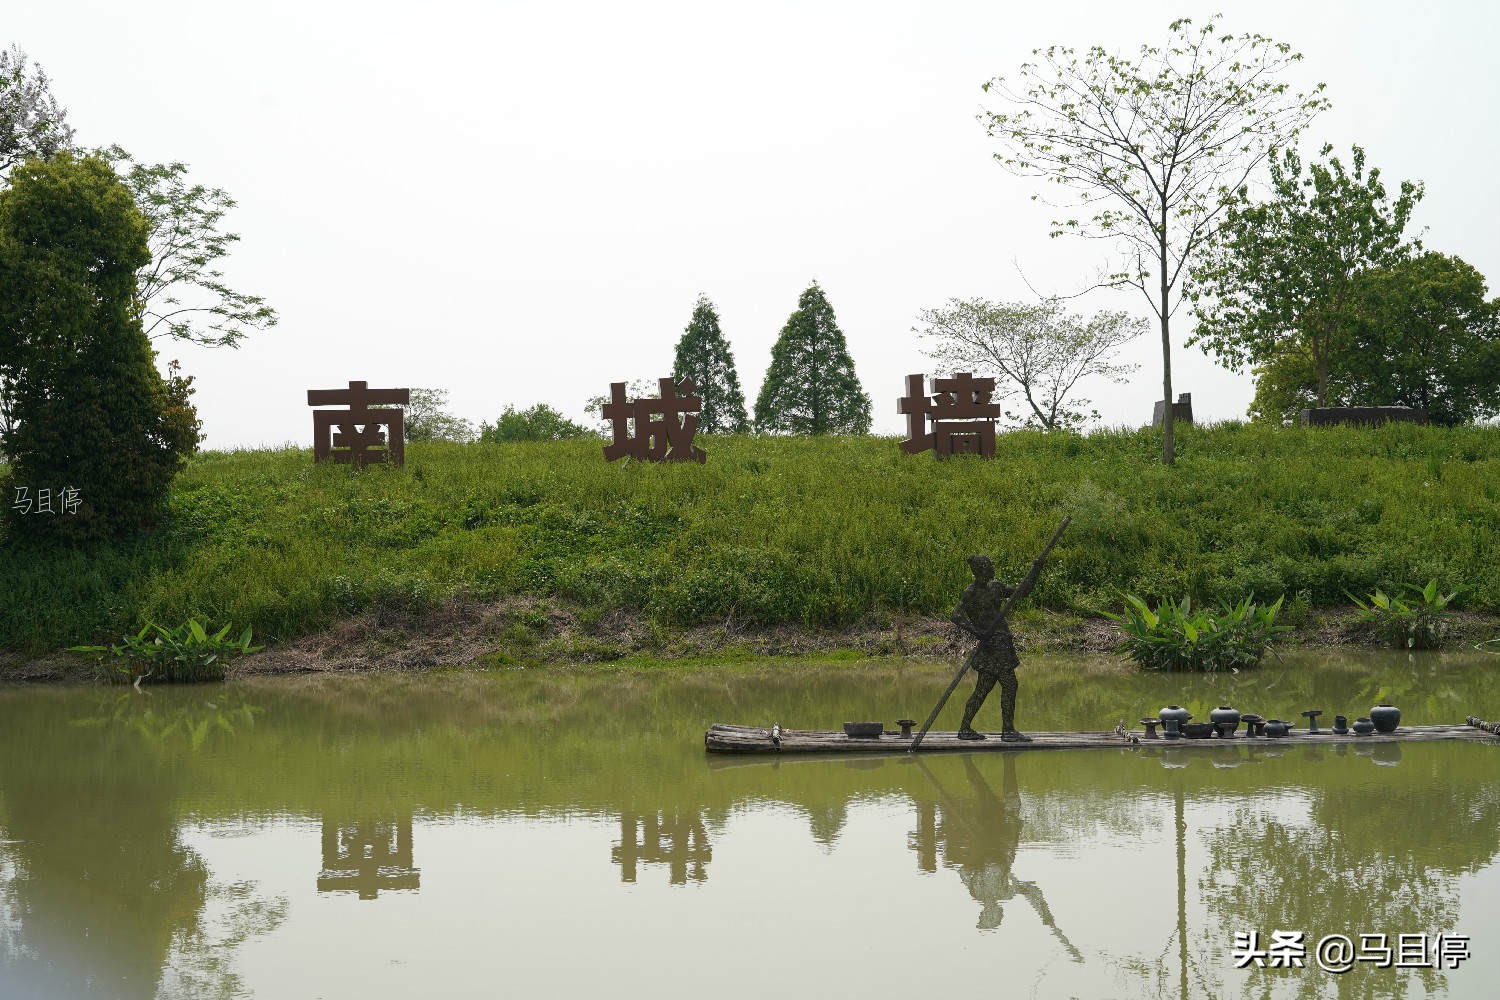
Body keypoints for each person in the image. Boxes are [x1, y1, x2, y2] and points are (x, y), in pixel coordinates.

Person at [952, 554, 1032, 741]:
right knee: (1009, 685)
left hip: (1002, 642)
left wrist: (1036, 568)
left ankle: (966, 728)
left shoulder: (996, 587)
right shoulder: (970, 592)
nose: (991, 568)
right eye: (988, 566)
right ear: (980, 570)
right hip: (991, 645)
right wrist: (977, 631)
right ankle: (1008, 731)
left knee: (983, 689)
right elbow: (955, 615)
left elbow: (1023, 591)